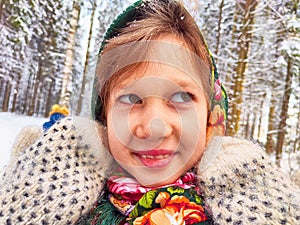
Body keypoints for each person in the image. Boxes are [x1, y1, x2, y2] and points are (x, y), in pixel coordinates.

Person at [0, 0, 299, 224]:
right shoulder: (62, 194)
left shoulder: (247, 201)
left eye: (181, 96)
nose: (155, 127)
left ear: (211, 115)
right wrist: (27, 199)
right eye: (131, 98)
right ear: (104, 116)